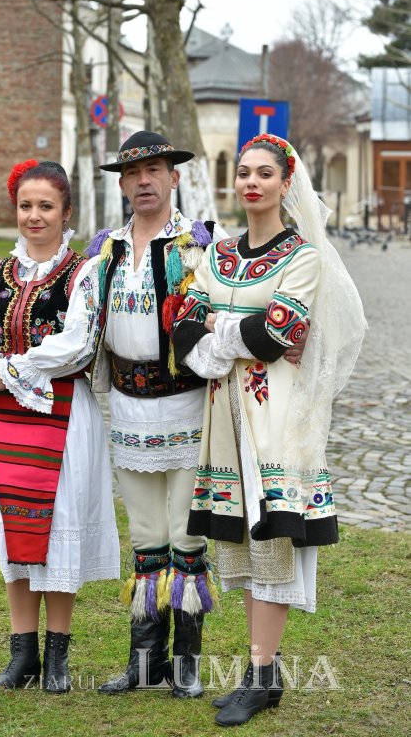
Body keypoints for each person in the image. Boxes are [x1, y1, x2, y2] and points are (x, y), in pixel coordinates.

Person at [87, 130, 303, 699]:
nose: (144, 182)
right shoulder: (104, 250)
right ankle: (144, 658)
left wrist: (288, 341)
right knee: (145, 535)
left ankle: (185, 664)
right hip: (129, 407)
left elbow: (232, 310)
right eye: (132, 174)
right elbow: (84, 322)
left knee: (186, 535)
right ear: (123, 184)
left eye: (154, 170)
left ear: (174, 177)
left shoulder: (201, 245)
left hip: (186, 405)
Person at [172, 133, 366, 726]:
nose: (251, 182)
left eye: (264, 174)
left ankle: (261, 675)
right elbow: (184, 327)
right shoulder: (220, 254)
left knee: (273, 542)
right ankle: (263, 675)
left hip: (276, 422)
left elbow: (279, 330)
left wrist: (222, 332)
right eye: (245, 174)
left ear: (286, 183)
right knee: (247, 547)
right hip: (226, 422)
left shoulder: (303, 257)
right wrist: (235, 332)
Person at [0, 159, 119, 693]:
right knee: (14, 532)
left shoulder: (83, 273)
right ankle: (22, 653)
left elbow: (76, 344)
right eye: (26, 206)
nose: (34, 216)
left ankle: (57, 658)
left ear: (67, 212)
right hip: (0, 419)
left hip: (63, 418)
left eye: (46, 206)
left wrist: (14, 367)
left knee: (58, 533)